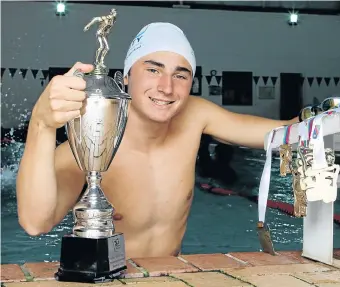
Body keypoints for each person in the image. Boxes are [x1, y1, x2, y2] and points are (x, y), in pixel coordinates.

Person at [16, 22, 298, 259]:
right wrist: (41, 124)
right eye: (153, 70)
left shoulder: (195, 114)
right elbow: (35, 223)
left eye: (180, 74)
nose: (166, 87)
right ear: (124, 78)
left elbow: (284, 134)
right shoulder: (91, 145)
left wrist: (334, 112)